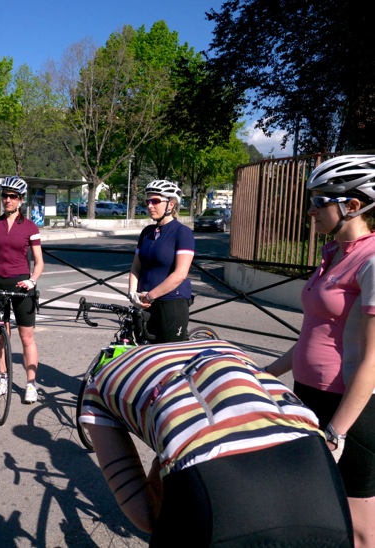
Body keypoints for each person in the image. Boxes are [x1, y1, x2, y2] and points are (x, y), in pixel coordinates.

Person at [79, 338, 353, 546]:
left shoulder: (98, 386)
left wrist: (164, 459)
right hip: (313, 462)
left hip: (214, 487)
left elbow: (146, 516)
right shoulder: (225, 347)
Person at [266, 154, 375, 547]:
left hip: (348, 409)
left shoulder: (372, 260)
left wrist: (336, 431)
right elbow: (312, 337)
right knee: (317, 506)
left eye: (319, 200)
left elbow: (372, 361)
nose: (310, 211)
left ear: (353, 205)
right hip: (308, 394)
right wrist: (263, 372)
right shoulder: (332, 255)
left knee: (360, 527)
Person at [0, 176, 44, 404]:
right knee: (1, 336)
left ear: (21, 200)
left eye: (12, 196)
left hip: (21, 284)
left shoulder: (30, 227)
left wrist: (32, 281)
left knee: (27, 337)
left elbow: (39, 261)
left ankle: (31, 384)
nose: (7, 200)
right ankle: (2, 379)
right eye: (4, 195)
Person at [127, 180, 195, 343]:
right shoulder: (146, 232)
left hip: (170, 302)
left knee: (171, 357)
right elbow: (136, 266)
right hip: (144, 303)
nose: (150, 205)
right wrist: (132, 293)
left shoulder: (182, 233)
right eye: (148, 201)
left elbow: (180, 274)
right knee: (144, 354)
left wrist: (150, 296)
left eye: (155, 201)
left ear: (170, 205)